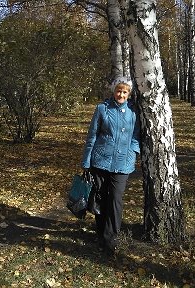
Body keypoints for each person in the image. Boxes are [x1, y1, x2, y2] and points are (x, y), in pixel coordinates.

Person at [81, 76, 140, 257]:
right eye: (118, 91)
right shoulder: (102, 109)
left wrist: (132, 152)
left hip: (123, 164)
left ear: (129, 94)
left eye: (125, 92)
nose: (121, 94)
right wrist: (86, 161)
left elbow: (136, 137)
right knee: (101, 199)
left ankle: (111, 239)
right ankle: (100, 234)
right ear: (113, 91)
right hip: (100, 161)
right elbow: (92, 136)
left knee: (115, 199)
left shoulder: (134, 112)